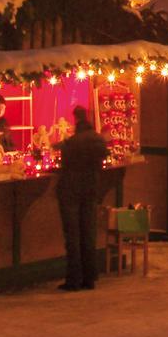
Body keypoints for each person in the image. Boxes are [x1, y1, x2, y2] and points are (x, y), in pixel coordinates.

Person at [56, 106, 109, 291]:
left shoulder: (72, 143)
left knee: (73, 235)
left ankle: (74, 279)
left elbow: (65, 163)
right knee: (88, 232)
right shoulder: (99, 141)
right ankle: (90, 277)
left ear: (76, 122)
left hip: (71, 190)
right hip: (91, 189)